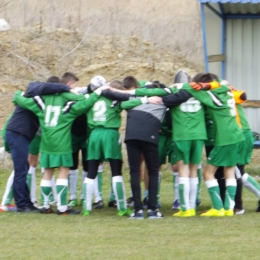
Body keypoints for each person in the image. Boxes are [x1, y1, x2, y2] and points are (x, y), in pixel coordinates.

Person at [13, 72, 108, 215]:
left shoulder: (41, 101)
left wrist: (18, 95)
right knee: (64, 172)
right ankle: (62, 207)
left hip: (46, 143)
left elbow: (21, 100)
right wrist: (98, 92)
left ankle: (45, 206)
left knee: (48, 173)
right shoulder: (68, 102)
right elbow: (85, 103)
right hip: (62, 143)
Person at [5, 76, 76, 213]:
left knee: (23, 168)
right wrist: (67, 88)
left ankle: (26, 202)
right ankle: (21, 205)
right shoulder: (35, 89)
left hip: (21, 134)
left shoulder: (39, 97)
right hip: (17, 132)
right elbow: (41, 87)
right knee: (21, 169)